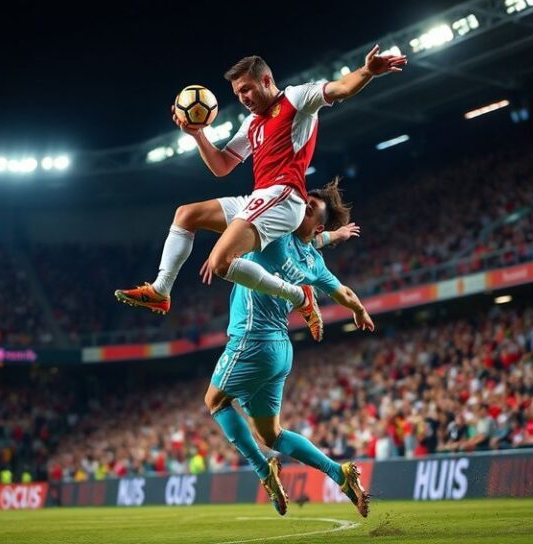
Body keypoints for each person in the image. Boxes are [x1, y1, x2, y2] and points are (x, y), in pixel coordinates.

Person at [116, 46, 406, 340]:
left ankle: (298, 296)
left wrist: (368, 71)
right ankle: (161, 290)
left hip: (284, 196)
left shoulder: (296, 98)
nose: (243, 99)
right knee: (186, 215)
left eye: (247, 89)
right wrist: (197, 135)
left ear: (266, 80)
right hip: (260, 197)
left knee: (220, 263)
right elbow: (221, 166)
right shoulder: (251, 123)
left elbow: (341, 88)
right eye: (238, 94)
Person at [201, 178, 375, 517]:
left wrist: (327, 237)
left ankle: (265, 472)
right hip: (280, 350)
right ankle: (339, 473)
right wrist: (359, 310)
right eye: (304, 202)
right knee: (272, 435)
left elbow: (292, 233)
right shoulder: (315, 264)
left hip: (253, 340)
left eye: (309, 208)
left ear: (316, 223)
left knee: (215, 401)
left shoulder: (276, 235)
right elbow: (342, 289)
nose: (300, 207)